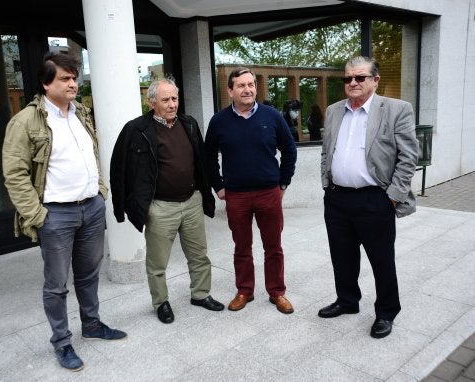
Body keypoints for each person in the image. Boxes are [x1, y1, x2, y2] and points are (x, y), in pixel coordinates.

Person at [2, 51, 126, 372]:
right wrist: (37, 215)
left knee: (88, 274)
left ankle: (93, 324)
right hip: (55, 214)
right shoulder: (26, 122)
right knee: (56, 284)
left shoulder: (80, 113)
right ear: (46, 84)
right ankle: (62, 342)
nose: (73, 83)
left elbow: (91, 155)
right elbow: (14, 174)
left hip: (91, 209)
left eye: (75, 77)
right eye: (65, 78)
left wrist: (100, 192)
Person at [318, 56, 419, 339]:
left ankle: (386, 312)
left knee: (381, 260)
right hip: (337, 199)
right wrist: (326, 183)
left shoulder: (397, 109)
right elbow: (327, 151)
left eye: (359, 77)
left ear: (375, 80)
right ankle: (347, 301)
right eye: (347, 78)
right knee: (342, 257)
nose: (352, 82)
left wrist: (392, 198)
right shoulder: (334, 110)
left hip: (375, 200)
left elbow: (408, 157)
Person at [110, 78, 224, 324]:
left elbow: (202, 163)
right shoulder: (136, 130)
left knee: (199, 255)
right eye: (165, 99)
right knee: (157, 262)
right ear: (151, 102)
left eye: (174, 98)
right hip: (160, 207)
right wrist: (122, 207)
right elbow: (119, 169)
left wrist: (207, 193)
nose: (172, 104)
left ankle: (201, 294)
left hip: (192, 202)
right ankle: (161, 302)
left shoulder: (189, 124)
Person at [205, 67, 297, 314]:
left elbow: (290, 149)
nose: (247, 89)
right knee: (241, 247)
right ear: (230, 90)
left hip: (269, 192)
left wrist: (283, 182)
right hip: (236, 196)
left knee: (273, 247)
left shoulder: (272, 116)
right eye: (241, 85)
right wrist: (219, 187)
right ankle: (245, 290)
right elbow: (208, 157)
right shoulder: (219, 121)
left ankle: (277, 292)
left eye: (251, 84)